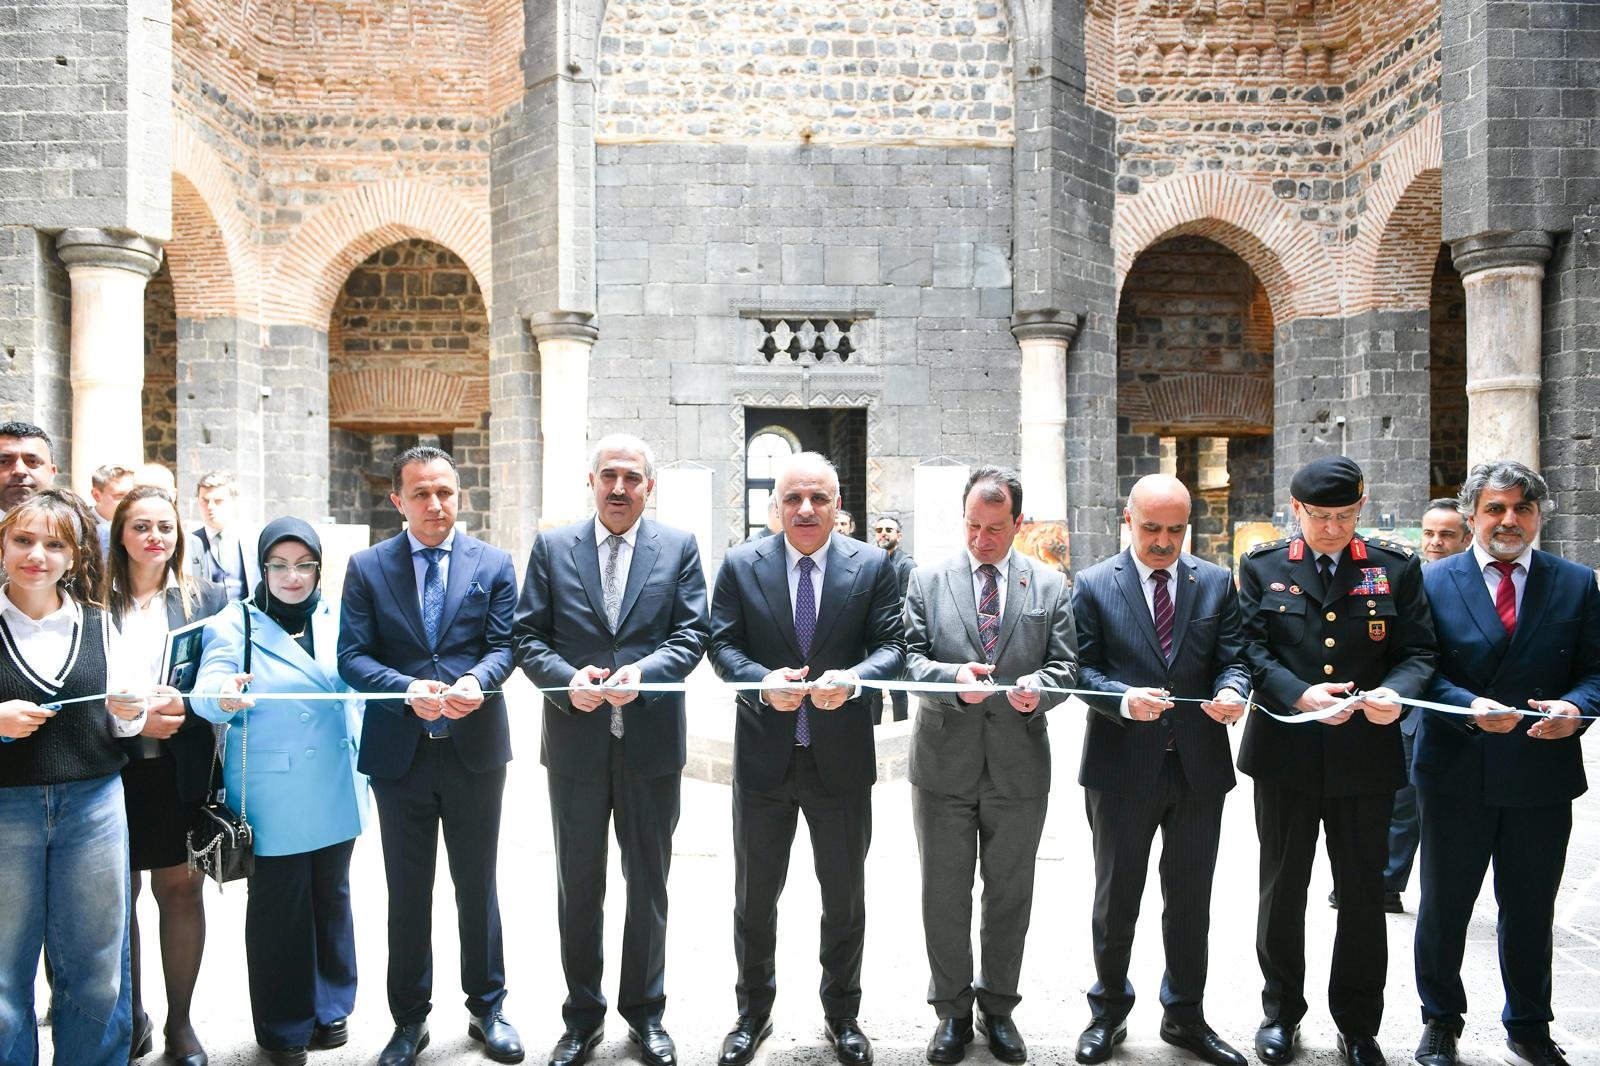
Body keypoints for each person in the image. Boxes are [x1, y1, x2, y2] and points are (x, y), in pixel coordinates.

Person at [514, 434, 710, 1066]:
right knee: (579, 884)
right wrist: (567, 682)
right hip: (575, 745)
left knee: (649, 883)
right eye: (609, 477)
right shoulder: (552, 548)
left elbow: (691, 633)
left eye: (632, 478)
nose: (620, 488)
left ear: (649, 487)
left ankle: (646, 1015)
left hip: (651, 745)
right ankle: (581, 1018)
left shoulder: (678, 548)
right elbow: (527, 636)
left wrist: (645, 675)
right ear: (591, 482)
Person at [1236, 456, 1436, 1066]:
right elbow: (1249, 646)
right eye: (1320, 517)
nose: (1332, 529)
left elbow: (1419, 650)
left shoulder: (1393, 567)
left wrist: (1395, 694)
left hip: (1364, 756)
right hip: (1287, 752)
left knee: (1361, 894)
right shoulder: (1263, 566)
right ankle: (1280, 1014)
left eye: (1344, 516)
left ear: (1360, 508)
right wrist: (1298, 693)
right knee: (1282, 889)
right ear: (1297, 511)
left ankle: (1357, 1023)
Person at [708, 451, 905, 1066]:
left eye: (818, 497)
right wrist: (760, 681)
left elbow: (894, 646)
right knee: (754, 897)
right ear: (775, 505)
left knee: (844, 898)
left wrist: (854, 678)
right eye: (792, 498)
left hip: (840, 764)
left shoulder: (872, 566)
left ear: (837, 504)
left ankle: (843, 1016)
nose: (805, 509)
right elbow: (721, 644)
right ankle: (752, 1013)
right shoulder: (743, 565)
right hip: (766, 760)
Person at [338, 445, 523, 1066]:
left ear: (458, 492)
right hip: (402, 754)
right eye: (421, 493)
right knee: (406, 890)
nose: (436, 504)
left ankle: (487, 1008)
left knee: (478, 885)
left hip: (475, 751)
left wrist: (479, 680)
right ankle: (408, 1020)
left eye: (445, 491)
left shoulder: (493, 563)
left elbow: (505, 645)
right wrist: (404, 690)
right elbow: (353, 656)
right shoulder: (367, 568)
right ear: (399, 501)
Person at [1411, 462, 1600, 1066]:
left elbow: (1596, 671)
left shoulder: (1575, 583)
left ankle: (1529, 1026)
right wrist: (1467, 706)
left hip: (1540, 771)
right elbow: (1418, 668)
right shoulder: (1431, 582)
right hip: (1455, 769)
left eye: (1522, 508)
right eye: (1495, 509)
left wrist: (1576, 706)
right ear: (1471, 517)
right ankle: (1440, 1019)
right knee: (1444, 907)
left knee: (1530, 908)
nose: (1509, 520)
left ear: (1539, 516)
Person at [1070, 475, 1251, 1066]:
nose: (1164, 542)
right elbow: (1082, 669)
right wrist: (1123, 699)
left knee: (1191, 899)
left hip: (1198, 768)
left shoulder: (1217, 582)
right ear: (1128, 518)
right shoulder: (1096, 585)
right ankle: (1107, 1014)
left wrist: (1231, 689)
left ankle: (1186, 1016)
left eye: (1176, 530)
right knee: (1116, 896)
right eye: (1152, 528)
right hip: (1122, 765)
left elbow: (1234, 658)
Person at [901, 467, 1077, 1066]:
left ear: (1018, 525)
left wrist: (1040, 692)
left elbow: (1066, 667)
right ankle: (951, 1011)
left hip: (1018, 766)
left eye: (995, 529)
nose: (982, 539)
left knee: (1009, 894)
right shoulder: (926, 581)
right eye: (974, 526)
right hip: (943, 764)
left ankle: (998, 1008)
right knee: (943, 893)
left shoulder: (1049, 587)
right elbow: (908, 662)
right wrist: (951, 682)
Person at [191, 519, 367, 1066]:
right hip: (273, 790)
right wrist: (221, 695)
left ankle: (330, 1006)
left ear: (319, 567)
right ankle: (283, 1026)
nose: (293, 577)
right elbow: (206, 688)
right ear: (263, 568)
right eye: (279, 565)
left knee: (331, 898)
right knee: (281, 910)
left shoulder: (339, 616)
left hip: (338, 783)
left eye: (304, 565)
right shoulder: (234, 622)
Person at [0, 489, 145, 1065]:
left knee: (97, 967)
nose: (37, 555)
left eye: (54, 544)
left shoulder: (105, 626)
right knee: (5, 968)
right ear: (2, 545)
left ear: (76, 555)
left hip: (93, 805)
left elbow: (125, 726)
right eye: (23, 540)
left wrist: (129, 712)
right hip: (5, 809)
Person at [104, 485, 227, 1066]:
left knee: (179, 890)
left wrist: (190, 703)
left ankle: (181, 1024)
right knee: (114, 898)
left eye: (166, 527)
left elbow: (223, 674)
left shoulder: (203, 598)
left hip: (177, 764)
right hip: (110, 767)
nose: (155, 537)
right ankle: (129, 1019)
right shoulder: (91, 598)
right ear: (120, 534)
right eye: (141, 526)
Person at [1369, 498, 1471, 914]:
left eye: (1447, 534)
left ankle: (1446, 887)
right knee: (1401, 801)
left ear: (1466, 537)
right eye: (1429, 533)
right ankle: (1385, 883)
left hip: (1456, 705)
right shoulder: (1408, 577)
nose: (1435, 542)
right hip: (1410, 708)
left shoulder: (1470, 584)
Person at [872, 516, 916, 725]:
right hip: (873, 636)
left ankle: (899, 730)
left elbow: (909, 600)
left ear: (899, 536)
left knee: (897, 690)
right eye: (879, 529)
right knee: (873, 689)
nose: (883, 533)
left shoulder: (907, 565)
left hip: (897, 636)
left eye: (889, 529)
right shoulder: (871, 561)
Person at [187, 472, 257, 601]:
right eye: (205, 501)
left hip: (247, 616)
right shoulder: (189, 543)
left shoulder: (254, 540)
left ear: (234, 502)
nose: (210, 507)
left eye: (218, 501)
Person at [0, 421, 57, 512]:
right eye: (3, 462)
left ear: (52, 472)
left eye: (32, 461)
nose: (19, 471)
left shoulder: (78, 525)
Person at [89, 464, 134, 557]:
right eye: (120, 495)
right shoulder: (81, 526)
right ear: (96, 495)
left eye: (132, 494)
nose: (130, 501)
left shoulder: (137, 526)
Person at [1418, 499, 1469, 565]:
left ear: (1468, 539)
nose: (1435, 542)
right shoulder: (1409, 574)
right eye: (1429, 534)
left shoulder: (1480, 574)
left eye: (1446, 535)